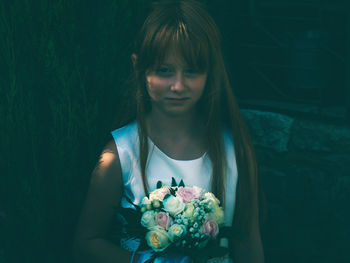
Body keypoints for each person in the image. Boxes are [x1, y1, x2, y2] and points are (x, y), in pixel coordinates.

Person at [73, 0, 265, 262]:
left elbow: (248, 243)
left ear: (210, 72)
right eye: (164, 70)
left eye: (192, 71)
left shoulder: (235, 151)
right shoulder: (121, 154)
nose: (178, 85)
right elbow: (86, 242)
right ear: (139, 68)